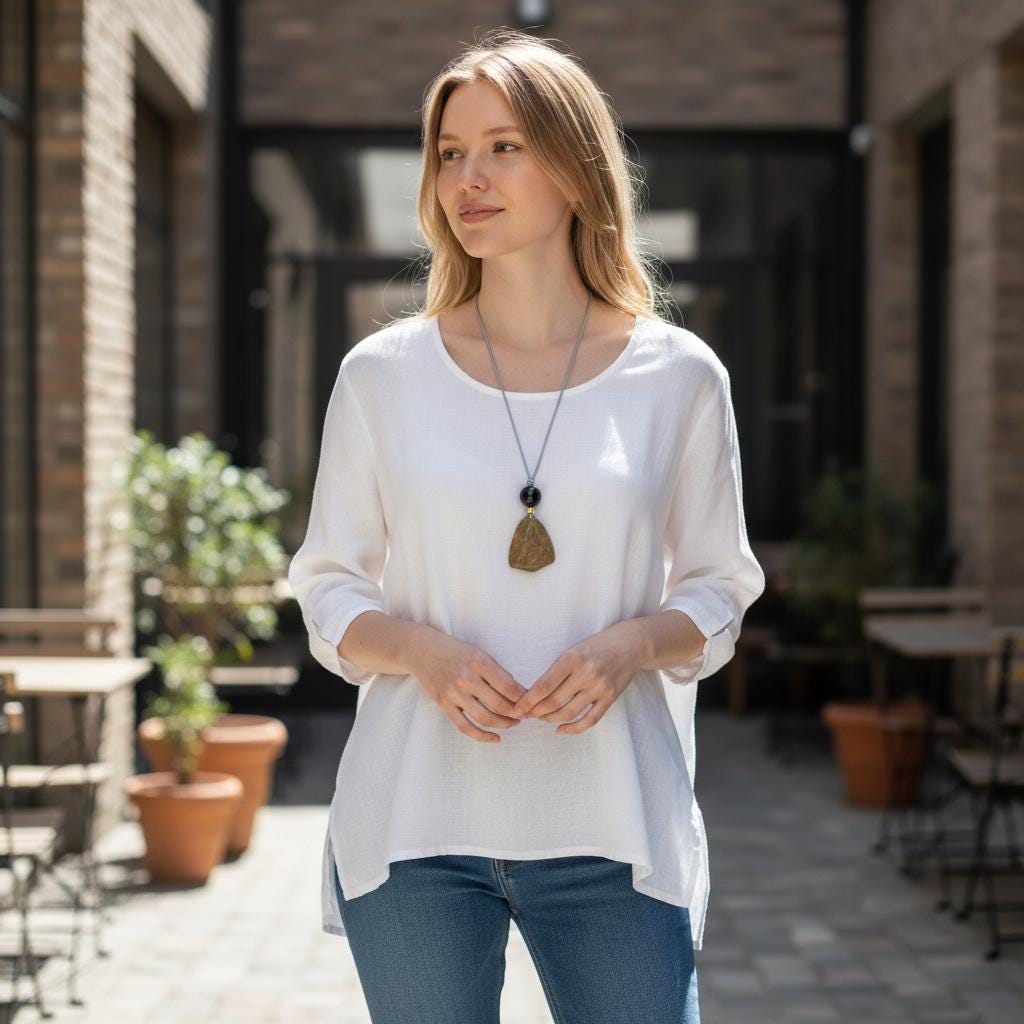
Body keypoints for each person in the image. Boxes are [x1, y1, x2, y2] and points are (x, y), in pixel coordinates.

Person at [288, 27, 765, 1024]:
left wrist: (632, 643)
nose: (470, 175)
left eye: (503, 146)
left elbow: (719, 591)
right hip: (415, 822)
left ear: (578, 170)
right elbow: (328, 586)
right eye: (451, 152)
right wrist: (419, 650)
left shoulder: (678, 375)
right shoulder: (381, 375)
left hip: (612, 825)